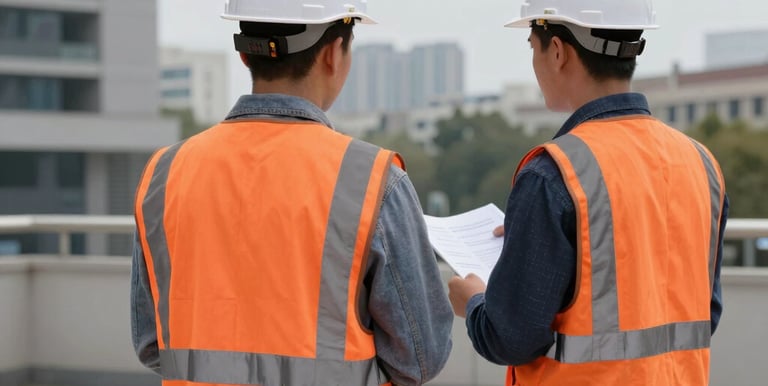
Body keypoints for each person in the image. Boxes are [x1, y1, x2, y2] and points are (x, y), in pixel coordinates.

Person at [130, 1, 453, 385]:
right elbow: (419, 357)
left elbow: (152, 343)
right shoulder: (371, 179)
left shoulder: (165, 174)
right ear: (334, 54)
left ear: (244, 54)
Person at [448, 0, 728, 384]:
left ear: (559, 51)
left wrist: (475, 301)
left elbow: (509, 337)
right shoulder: (701, 163)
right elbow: (702, 315)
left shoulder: (553, 174)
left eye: (533, 46)